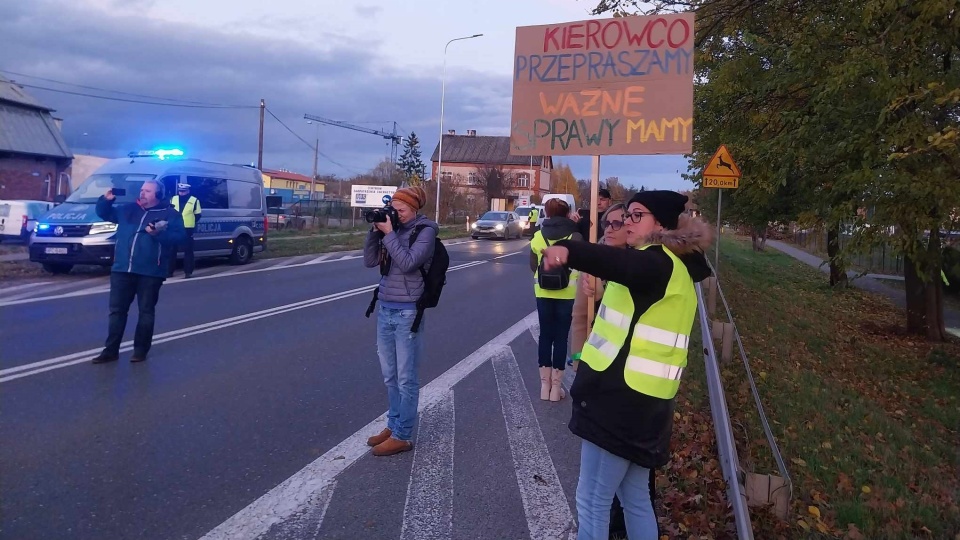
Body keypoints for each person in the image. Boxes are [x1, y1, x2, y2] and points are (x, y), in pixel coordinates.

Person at [541, 190, 713, 540]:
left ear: (660, 224)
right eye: (627, 216)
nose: (628, 223)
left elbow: (617, 264)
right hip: (646, 402)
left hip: (620, 402)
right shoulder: (674, 266)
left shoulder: (655, 261)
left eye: (638, 216)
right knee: (634, 498)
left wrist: (569, 250)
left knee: (591, 499)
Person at [362, 186, 439, 457]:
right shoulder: (391, 229)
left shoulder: (425, 232)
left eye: (401, 210)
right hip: (385, 308)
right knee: (390, 375)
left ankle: (403, 435)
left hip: (408, 312)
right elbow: (370, 261)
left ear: (414, 209)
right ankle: (393, 424)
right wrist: (375, 233)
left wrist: (390, 234)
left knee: (406, 378)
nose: (395, 213)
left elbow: (407, 263)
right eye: (393, 208)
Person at [91, 180, 186, 364]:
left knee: (146, 312)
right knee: (117, 311)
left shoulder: (170, 214)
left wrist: (158, 234)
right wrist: (105, 200)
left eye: (148, 191)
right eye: (142, 190)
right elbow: (104, 213)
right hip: (122, 269)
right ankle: (110, 351)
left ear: (158, 195)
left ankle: (140, 351)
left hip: (150, 271)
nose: (142, 193)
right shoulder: (127, 209)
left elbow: (179, 237)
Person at [530, 198, 583, 402]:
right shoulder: (575, 236)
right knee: (561, 338)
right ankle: (556, 389)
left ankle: (544, 387)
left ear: (547, 213)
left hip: (543, 292)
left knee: (545, 336)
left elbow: (533, 265)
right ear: (567, 213)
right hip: (567, 294)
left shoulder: (538, 237)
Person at [169, 183, 202, 278]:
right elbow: (169, 211)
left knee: (188, 252)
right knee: (171, 251)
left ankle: (188, 272)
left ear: (188, 191)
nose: (181, 193)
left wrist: (190, 222)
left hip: (188, 229)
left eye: (183, 191)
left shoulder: (194, 200)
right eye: (180, 191)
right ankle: (169, 271)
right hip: (174, 228)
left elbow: (198, 215)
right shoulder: (173, 199)